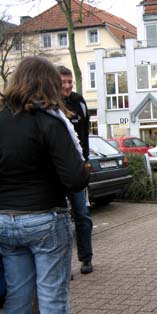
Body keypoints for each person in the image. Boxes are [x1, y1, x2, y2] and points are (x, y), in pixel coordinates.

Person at [0, 56, 90, 313]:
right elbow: (75, 179)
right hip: (45, 219)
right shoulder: (51, 122)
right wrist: (84, 169)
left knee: (17, 298)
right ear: (49, 85)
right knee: (52, 297)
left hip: (5, 221)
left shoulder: (1, 121)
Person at [57, 65, 94, 275]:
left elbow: (85, 134)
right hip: (56, 172)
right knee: (60, 219)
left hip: (78, 168)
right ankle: (63, 265)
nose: (68, 85)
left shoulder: (79, 101)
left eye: (70, 81)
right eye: (63, 82)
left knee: (82, 214)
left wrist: (86, 161)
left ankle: (86, 258)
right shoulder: (49, 104)